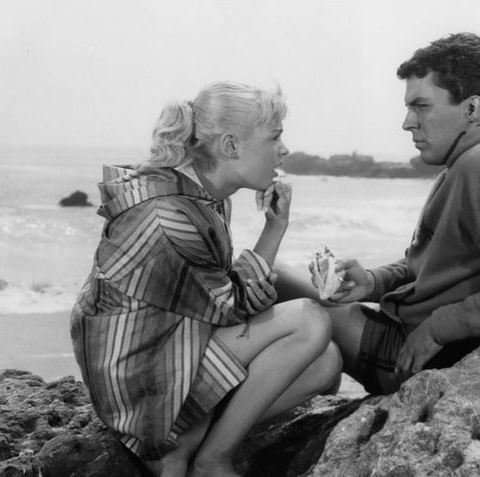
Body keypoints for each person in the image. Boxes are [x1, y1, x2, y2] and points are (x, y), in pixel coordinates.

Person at [70, 81, 342, 477]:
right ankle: (205, 458)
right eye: (275, 137)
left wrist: (275, 226)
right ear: (231, 146)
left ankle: (201, 448)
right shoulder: (168, 216)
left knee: (325, 365)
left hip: (173, 350)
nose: (284, 150)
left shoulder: (207, 196)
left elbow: (228, 296)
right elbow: (233, 309)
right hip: (141, 387)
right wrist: (258, 287)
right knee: (310, 319)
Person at [319, 33, 480, 395]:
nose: (407, 122)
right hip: (412, 329)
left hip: (422, 355)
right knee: (277, 279)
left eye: (421, 106)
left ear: (471, 109)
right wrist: (374, 283)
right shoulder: (466, 162)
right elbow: (438, 263)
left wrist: (441, 325)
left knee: (304, 309)